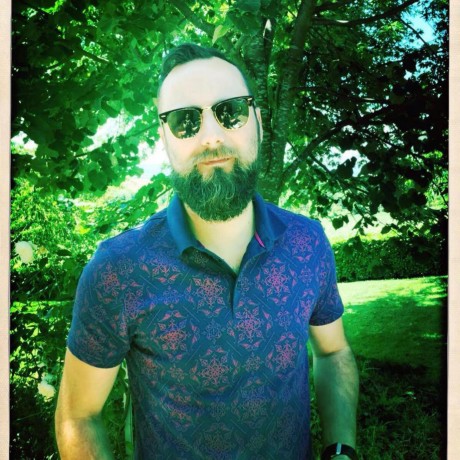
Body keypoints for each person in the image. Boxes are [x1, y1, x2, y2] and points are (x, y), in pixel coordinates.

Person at [55, 43, 359, 460]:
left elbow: (334, 350)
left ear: (258, 122)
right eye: (185, 121)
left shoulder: (308, 243)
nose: (211, 136)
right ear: (165, 139)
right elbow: (78, 416)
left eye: (230, 111)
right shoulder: (117, 270)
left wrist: (340, 449)